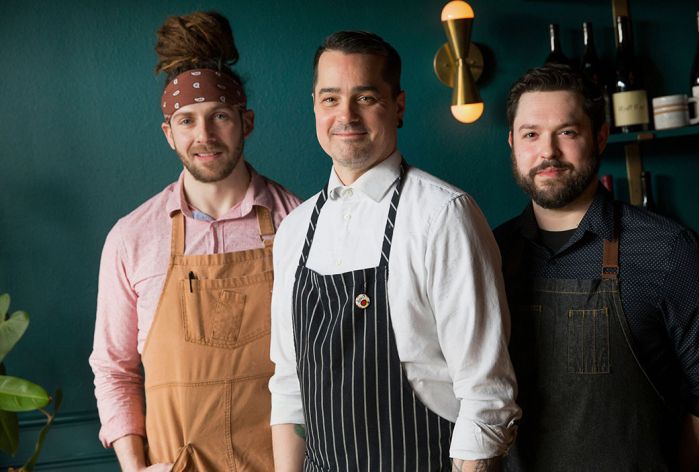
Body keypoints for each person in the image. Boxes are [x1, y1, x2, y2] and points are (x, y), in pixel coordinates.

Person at [269, 31, 520, 472]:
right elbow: (290, 389)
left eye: (365, 97)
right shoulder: (293, 231)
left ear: (398, 106)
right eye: (330, 98)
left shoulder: (443, 215)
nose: (345, 115)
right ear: (314, 105)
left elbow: (486, 395)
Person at [495, 64, 699, 471]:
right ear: (512, 143)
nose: (548, 152)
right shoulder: (490, 253)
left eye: (568, 132)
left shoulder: (667, 250)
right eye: (531, 134)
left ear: (600, 136)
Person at [89, 11, 299, 471]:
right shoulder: (132, 237)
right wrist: (135, 467)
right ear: (169, 134)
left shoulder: (297, 223)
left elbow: (323, 361)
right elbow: (113, 368)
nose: (203, 136)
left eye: (219, 116)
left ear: (247, 122)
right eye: (186, 121)